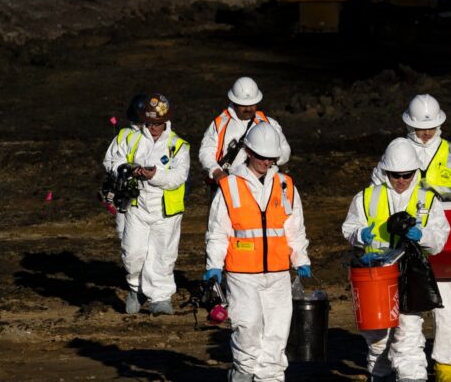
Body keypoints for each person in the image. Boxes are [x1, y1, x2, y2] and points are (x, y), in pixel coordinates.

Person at [369, 95, 451, 382]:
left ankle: (446, 366)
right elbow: (377, 193)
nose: (426, 132)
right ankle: (390, 363)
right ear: (410, 125)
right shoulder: (397, 153)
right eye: (421, 127)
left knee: (449, 303)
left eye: (430, 126)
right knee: (403, 308)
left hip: (445, 237)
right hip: (405, 241)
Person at [204, 122, 312, 382]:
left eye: (271, 157)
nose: (267, 162)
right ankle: (243, 371)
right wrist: (214, 265)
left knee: (277, 332)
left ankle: (270, 377)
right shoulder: (230, 186)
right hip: (242, 274)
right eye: (262, 156)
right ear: (249, 152)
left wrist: (300, 258)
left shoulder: (285, 185)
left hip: (278, 273)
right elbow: (218, 230)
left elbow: (294, 227)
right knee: (248, 327)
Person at [343, 138, 451, 382]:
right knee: (378, 339)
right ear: (386, 172)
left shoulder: (428, 200)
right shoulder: (366, 198)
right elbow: (349, 227)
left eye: (407, 175)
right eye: (395, 175)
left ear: (415, 172)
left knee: (408, 336)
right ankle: (380, 375)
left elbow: (439, 239)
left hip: (410, 276)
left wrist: (422, 235)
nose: (401, 180)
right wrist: (360, 234)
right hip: (376, 276)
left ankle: (413, 378)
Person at [103, 93, 189, 315]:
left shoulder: (178, 146)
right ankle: (136, 288)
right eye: (149, 123)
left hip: (166, 210)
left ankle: (161, 298)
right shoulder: (131, 138)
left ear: (165, 121)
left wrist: (154, 176)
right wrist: (127, 169)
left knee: (162, 255)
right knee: (133, 252)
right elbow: (113, 160)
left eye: (157, 124)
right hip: (137, 205)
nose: (152, 128)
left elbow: (178, 177)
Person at [199, 77, 291, 185]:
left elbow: (285, 149)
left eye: (252, 104)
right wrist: (216, 171)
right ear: (234, 102)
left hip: (263, 185)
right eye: (243, 105)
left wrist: (269, 160)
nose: (248, 109)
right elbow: (206, 151)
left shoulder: (270, 124)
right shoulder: (219, 124)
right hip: (230, 184)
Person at [103, 93, 148, 239]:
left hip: (149, 198)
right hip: (126, 196)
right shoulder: (123, 135)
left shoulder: (157, 137)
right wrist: (122, 171)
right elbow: (109, 161)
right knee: (126, 240)